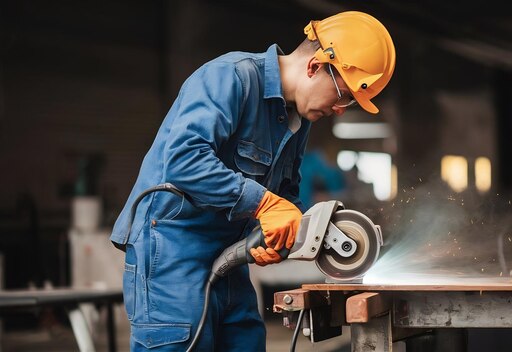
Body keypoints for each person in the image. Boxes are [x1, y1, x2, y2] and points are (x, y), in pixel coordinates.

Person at [109, 11, 395, 351]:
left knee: (246, 341)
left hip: (228, 253)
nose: (341, 109)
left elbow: (286, 194)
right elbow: (183, 160)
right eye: (345, 95)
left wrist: (287, 233)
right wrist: (263, 204)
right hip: (171, 250)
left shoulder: (297, 120)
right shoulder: (230, 78)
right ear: (315, 66)